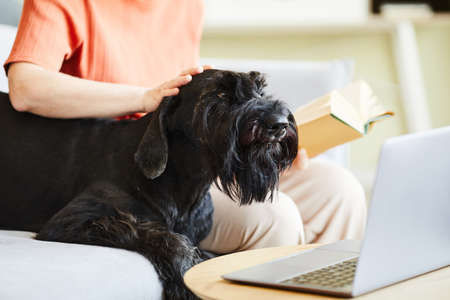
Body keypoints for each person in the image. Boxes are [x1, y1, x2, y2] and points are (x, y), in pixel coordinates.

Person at [4, 0, 367, 253]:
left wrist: (265, 146)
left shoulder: (185, 4)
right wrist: (144, 97)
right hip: (135, 176)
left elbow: (190, 99)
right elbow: (26, 89)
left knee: (338, 190)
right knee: (275, 217)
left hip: (198, 160)